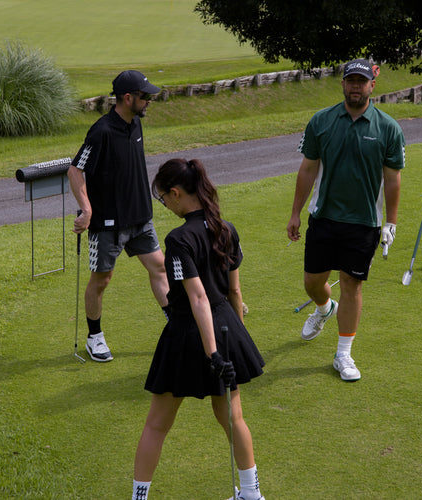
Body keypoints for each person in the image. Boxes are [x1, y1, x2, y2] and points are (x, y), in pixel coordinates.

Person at [132, 159, 265, 500]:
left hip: (189, 335)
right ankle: (251, 494)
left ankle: (139, 498)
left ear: (176, 193)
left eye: (164, 199)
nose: (165, 205)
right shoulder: (226, 227)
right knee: (233, 419)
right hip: (225, 328)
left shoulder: (178, 239)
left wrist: (215, 355)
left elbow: (198, 297)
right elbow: (234, 292)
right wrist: (236, 338)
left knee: (156, 424)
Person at [286, 59, 405, 382]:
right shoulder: (322, 121)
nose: (355, 86)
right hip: (324, 217)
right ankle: (325, 308)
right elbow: (308, 169)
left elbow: (392, 179)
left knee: (352, 285)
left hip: (364, 222)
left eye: (361, 81)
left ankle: (343, 354)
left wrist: (390, 223)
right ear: (342, 84)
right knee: (313, 282)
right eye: (350, 80)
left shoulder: (388, 128)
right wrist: (296, 212)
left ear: (372, 86)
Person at [68, 70, 169, 362]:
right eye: (145, 96)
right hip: (108, 225)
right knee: (102, 279)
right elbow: (75, 170)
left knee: (159, 268)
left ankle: (176, 324)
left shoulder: (136, 123)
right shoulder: (101, 132)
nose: (149, 101)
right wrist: (87, 209)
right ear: (128, 98)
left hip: (140, 218)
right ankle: (94, 337)